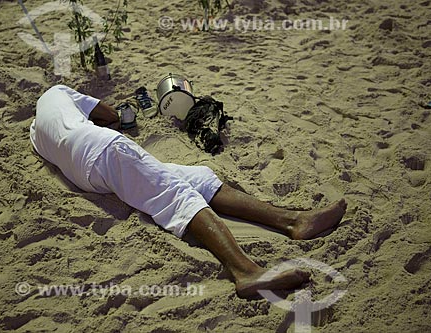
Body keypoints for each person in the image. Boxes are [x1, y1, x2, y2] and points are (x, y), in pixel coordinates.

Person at [30, 85, 347, 299]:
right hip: (103, 148)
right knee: (177, 194)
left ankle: (292, 221)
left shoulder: (35, 132)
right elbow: (110, 115)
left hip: (87, 176)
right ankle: (245, 271)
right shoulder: (58, 91)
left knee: (195, 178)